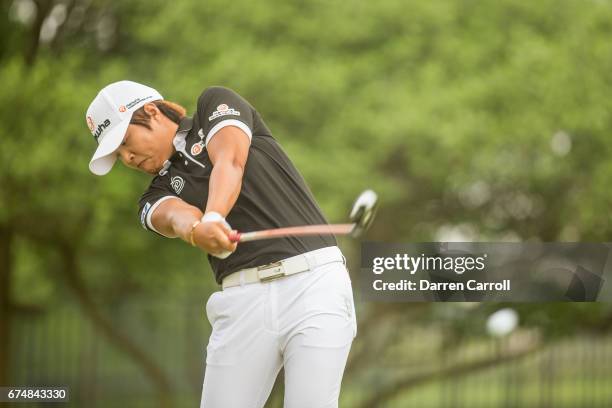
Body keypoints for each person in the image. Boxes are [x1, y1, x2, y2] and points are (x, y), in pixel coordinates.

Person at [84, 80, 358, 407]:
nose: (127, 157)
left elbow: (230, 160)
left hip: (314, 286)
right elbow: (174, 217)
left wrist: (213, 216)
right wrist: (197, 229)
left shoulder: (213, 105)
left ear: (152, 112)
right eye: (118, 154)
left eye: (125, 140)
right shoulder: (152, 195)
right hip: (242, 301)